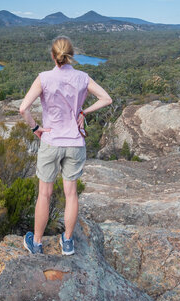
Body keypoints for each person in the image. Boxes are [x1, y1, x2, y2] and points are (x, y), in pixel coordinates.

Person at [19, 36, 112, 255]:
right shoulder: (83, 78)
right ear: (71, 55)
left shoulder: (43, 78)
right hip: (75, 143)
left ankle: (37, 243)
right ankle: (67, 242)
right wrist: (84, 112)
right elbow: (106, 99)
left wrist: (36, 128)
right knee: (71, 194)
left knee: (45, 194)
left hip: (51, 141)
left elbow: (23, 108)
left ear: (53, 55)